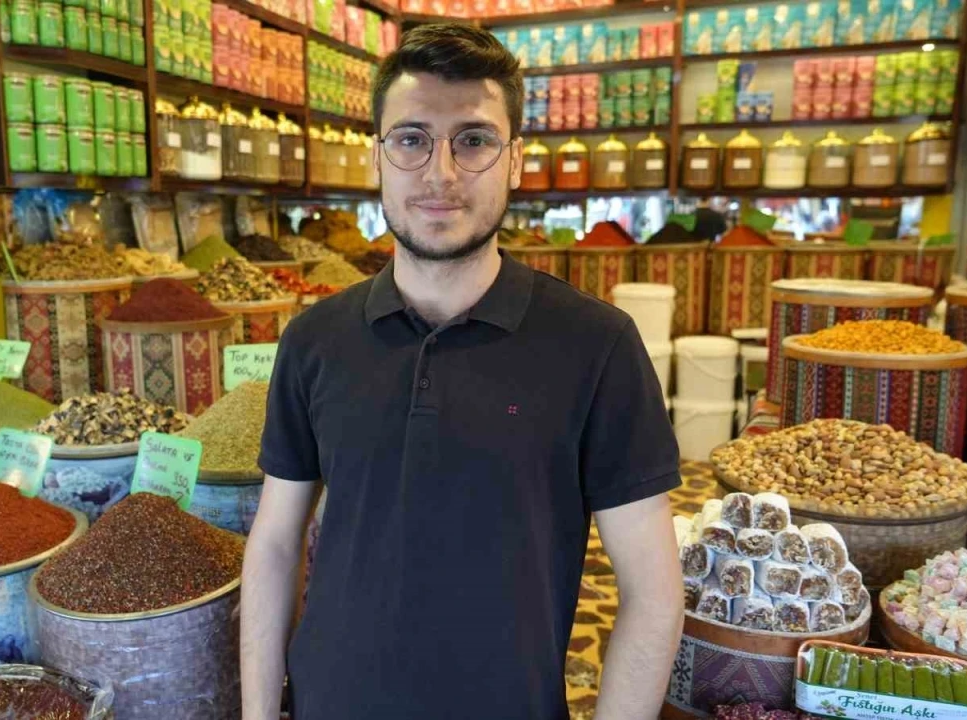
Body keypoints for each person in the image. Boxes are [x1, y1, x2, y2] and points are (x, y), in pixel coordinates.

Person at [241, 23, 685, 720]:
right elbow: (273, 546)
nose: (440, 173)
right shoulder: (313, 340)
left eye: (473, 140)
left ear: (515, 161)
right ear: (378, 157)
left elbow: (653, 593)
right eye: (411, 139)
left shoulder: (597, 346)